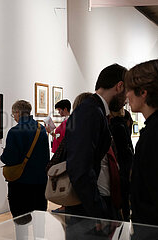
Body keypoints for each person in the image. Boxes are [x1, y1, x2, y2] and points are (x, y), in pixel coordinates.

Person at [64, 64, 127, 239]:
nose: (127, 99)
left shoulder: (94, 110)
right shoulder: (91, 112)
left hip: (92, 207)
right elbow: (80, 169)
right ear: (119, 86)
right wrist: (98, 212)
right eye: (127, 91)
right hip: (87, 211)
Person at [125, 57, 158, 239]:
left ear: (144, 92)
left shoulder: (155, 133)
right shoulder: (155, 128)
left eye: (130, 90)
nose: (127, 95)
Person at [0, 100, 49, 218]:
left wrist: (3, 155)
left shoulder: (15, 131)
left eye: (13, 115)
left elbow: (9, 159)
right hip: (40, 182)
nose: (14, 117)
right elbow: (45, 155)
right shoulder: (41, 129)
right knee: (39, 221)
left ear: (18, 113)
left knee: (21, 222)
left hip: (20, 183)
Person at [108, 107, 134, 221]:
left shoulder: (116, 125)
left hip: (120, 166)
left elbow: (122, 149)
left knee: (121, 196)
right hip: (124, 165)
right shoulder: (121, 124)